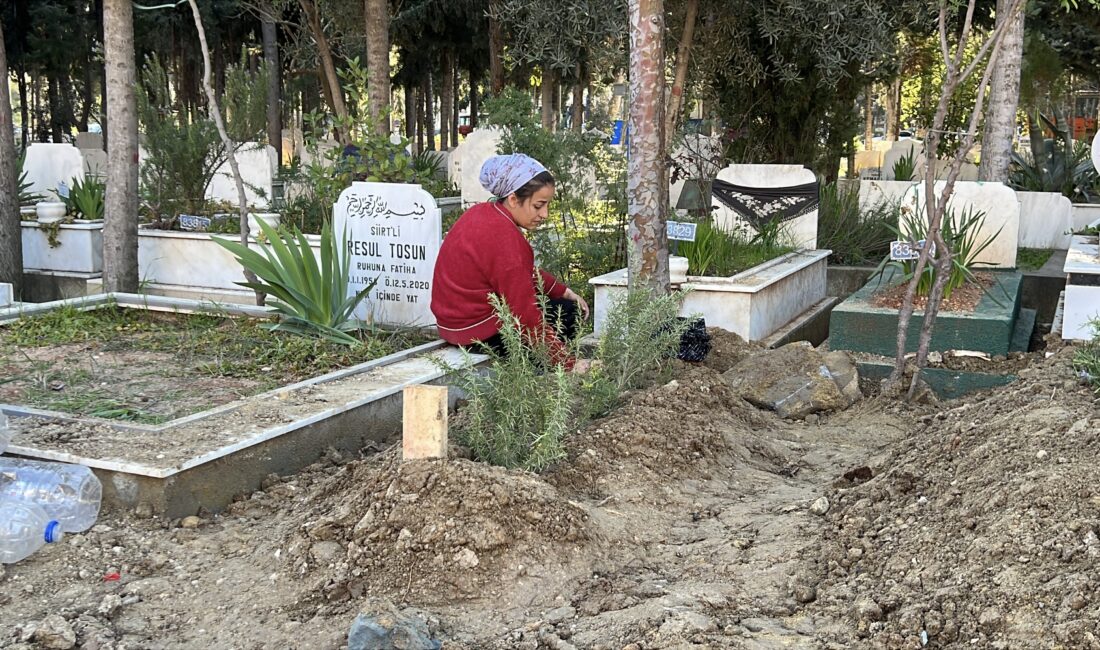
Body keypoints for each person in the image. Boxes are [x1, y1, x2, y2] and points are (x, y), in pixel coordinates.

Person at [430, 154, 590, 369]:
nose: (545, 214)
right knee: (569, 313)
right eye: (538, 205)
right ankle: (539, 367)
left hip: (453, 325)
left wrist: (560, 290)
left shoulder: (481, 213)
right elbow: (525, 313)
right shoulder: (504, 237)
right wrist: (567, 363)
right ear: (514, 199)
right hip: (478, 333)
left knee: (562, 304)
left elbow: (518, 271)